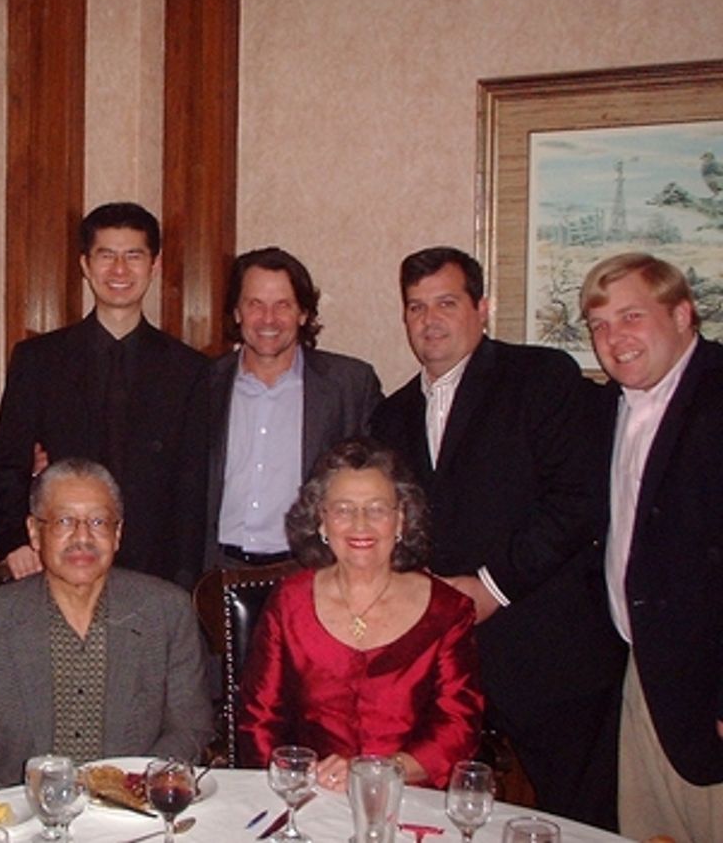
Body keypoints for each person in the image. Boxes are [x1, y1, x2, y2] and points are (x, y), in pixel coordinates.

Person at [371, 246, 625, 826]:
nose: (429, 320)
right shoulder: (390, 416)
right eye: (415, 307)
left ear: (482, 308)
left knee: (582, 821)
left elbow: (578, 504)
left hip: (548, 653)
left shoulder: (541, 377)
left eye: (446, 302)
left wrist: (490, 587)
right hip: (442, 669)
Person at [0, 457, 214, 801]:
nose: (82, 537)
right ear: (35, 532)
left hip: (135, 821)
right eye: (65, 521)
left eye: (98, 521)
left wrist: (135, 790)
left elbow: (191, 727)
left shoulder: (166, 612)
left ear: (118, 534)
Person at [0, 202, 208, 588]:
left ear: (154, 266)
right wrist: (16, 543)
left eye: (133, 256)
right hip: (58, 564)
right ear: (85, 265)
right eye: (107, 256)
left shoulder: (191, 370)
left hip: (157, 575)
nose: (119, 270)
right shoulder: (38, 360)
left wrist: (186, 581)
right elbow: (6, 464)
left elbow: (195, 488)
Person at [236, 437, 482, 790]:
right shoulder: (289, 602)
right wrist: (297, 784)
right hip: (309, 798)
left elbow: (458, 728)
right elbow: (259, 720)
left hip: (411, 803)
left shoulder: (448, 611)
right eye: (343, 509)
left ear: (401, 520)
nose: (360, 524)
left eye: (377, 508)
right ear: (321, 521)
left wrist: (380, 770)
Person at [581, 253, 723, 842]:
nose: (614, 338)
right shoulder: (614, 407)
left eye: (631, 316)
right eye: (599, 325)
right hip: (644, 671)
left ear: (683, 314)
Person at [207, 247, 381, 568]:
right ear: (236, 312)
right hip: (217, 569)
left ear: (303, 313)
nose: (268, 319)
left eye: (282, 305)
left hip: (312, 571)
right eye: (255, 304)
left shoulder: (349, 386)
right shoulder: (204, 383)